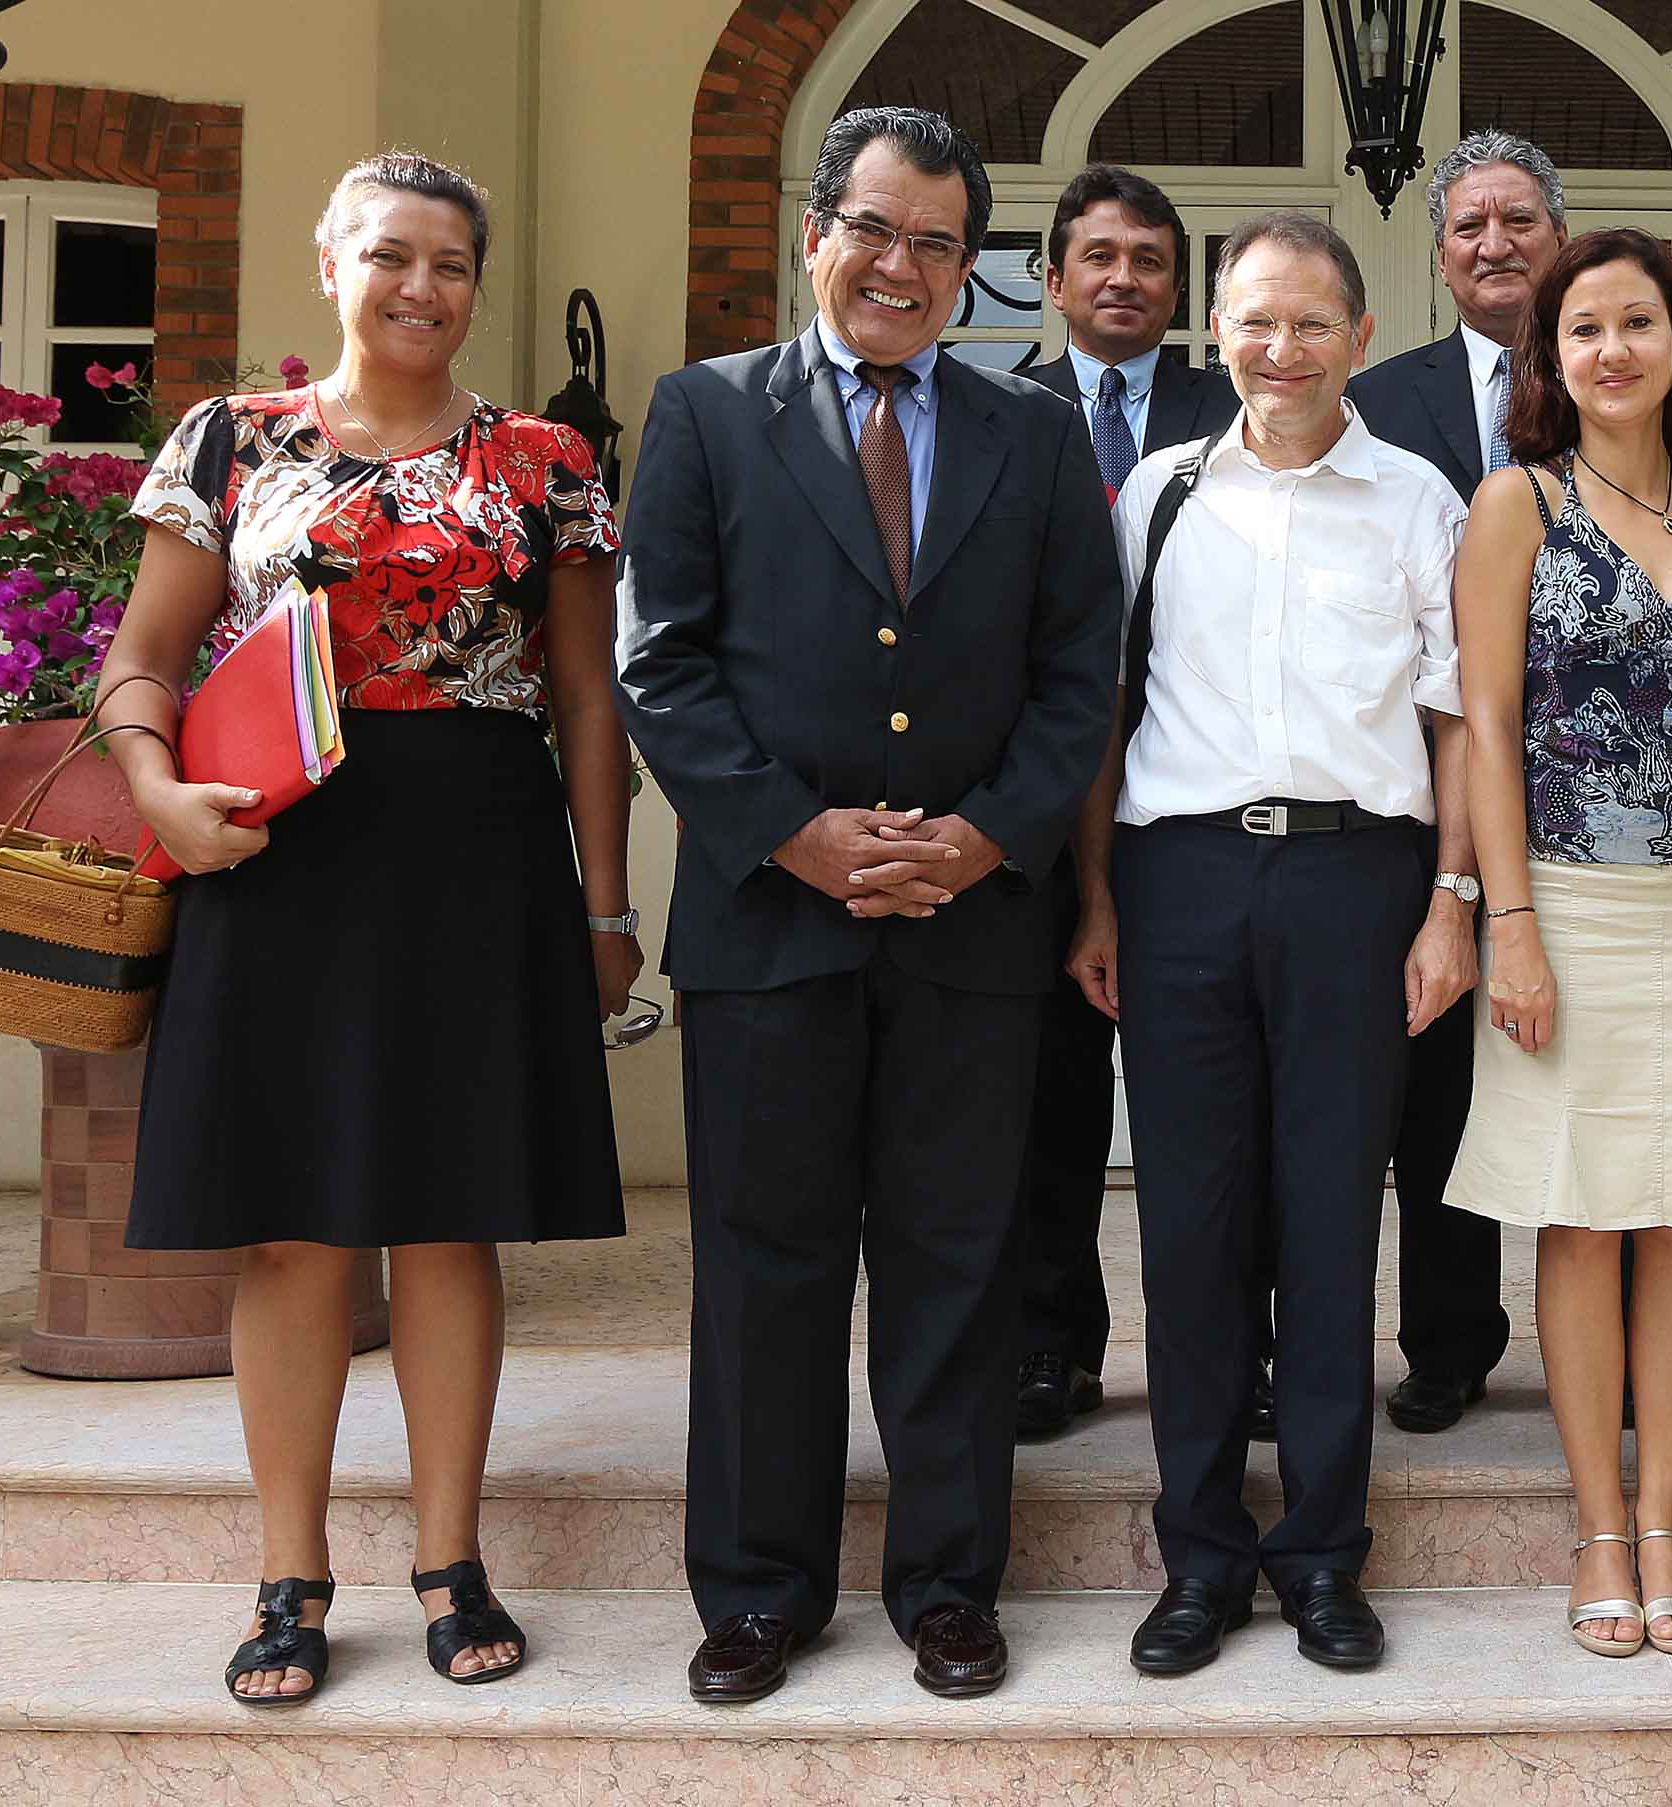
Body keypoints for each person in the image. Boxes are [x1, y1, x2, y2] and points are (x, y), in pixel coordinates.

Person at [97, 150, 633, 1704]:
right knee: (289, 1222)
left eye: (452, 262)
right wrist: (159, 790)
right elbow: (141, 660)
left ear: (479, 281)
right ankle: (291, 1572)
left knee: (449, 1213)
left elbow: (591, 699)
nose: (421, 287)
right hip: (274, 853)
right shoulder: (233, 440)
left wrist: (606, 900)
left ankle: (451, 1559)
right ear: (331, 265)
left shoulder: (547, 463)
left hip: (478, 853)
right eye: (390, 255)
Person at [617, 105, 1120, 1706]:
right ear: (814, 233)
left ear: (971, 274)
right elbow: (662, 662)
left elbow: (1077, 673)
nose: (902, 268)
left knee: (956, 1262)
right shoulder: (703, 413)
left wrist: (985, 840)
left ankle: (950, 1586)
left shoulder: (1032, 436)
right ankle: (760, 1589)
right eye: (878, 230)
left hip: (974, 928)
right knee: (765, 1265)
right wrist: (795, 833)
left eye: (939, 246)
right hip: (770, 926)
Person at [1074, 211, 1476, 1676]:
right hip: (1178, 883)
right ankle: (1199, 1558)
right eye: (1254, 321)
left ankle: (1318, 1554)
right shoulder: (1162, 495)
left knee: (1327, 1223)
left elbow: (1457, 724)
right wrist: (1099, 902)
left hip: (1355, 886)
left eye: (1310, 323)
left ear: (1361, 337)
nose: (1280, 350)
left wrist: (1454, 902)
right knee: (1189, 1234)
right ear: (1217, 333)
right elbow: (1105, 712)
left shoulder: (1420, 500)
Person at [1444, 227, 1672, 1659]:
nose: (1611, 349)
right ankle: (1596, 1522)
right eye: (1582, 329)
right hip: (1571, 905)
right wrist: (1508, 922)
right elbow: (1485, 723)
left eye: (1636, 322)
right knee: (1583, 1212)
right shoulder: (1514, 502)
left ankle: (1665, 1516)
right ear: (1551, 363)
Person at [1014, 163, 1247, 1445]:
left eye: (1149, 260)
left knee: (1214, 1121)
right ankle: (1050, 1347)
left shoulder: (1240, 418)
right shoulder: (999, 415)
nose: (1123, 278)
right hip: (1043, 820)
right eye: (1098, 256)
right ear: (1053, 281)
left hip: (1195, 812)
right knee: (1047, 1105)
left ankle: (1230, 1356)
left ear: (1182, 289)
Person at [1344, 128, 1569, 1435]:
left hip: (1595, 785)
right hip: (1427, 778)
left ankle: (1611, 1336)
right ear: (1438, 257)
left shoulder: (1618, 374)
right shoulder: (1387, 396)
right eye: (1469, 226)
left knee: (1583, 1067)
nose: (1494, 244)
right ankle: (1447, 1338)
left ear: (1557, 233)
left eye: (1518, 221)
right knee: (1436, 1081)